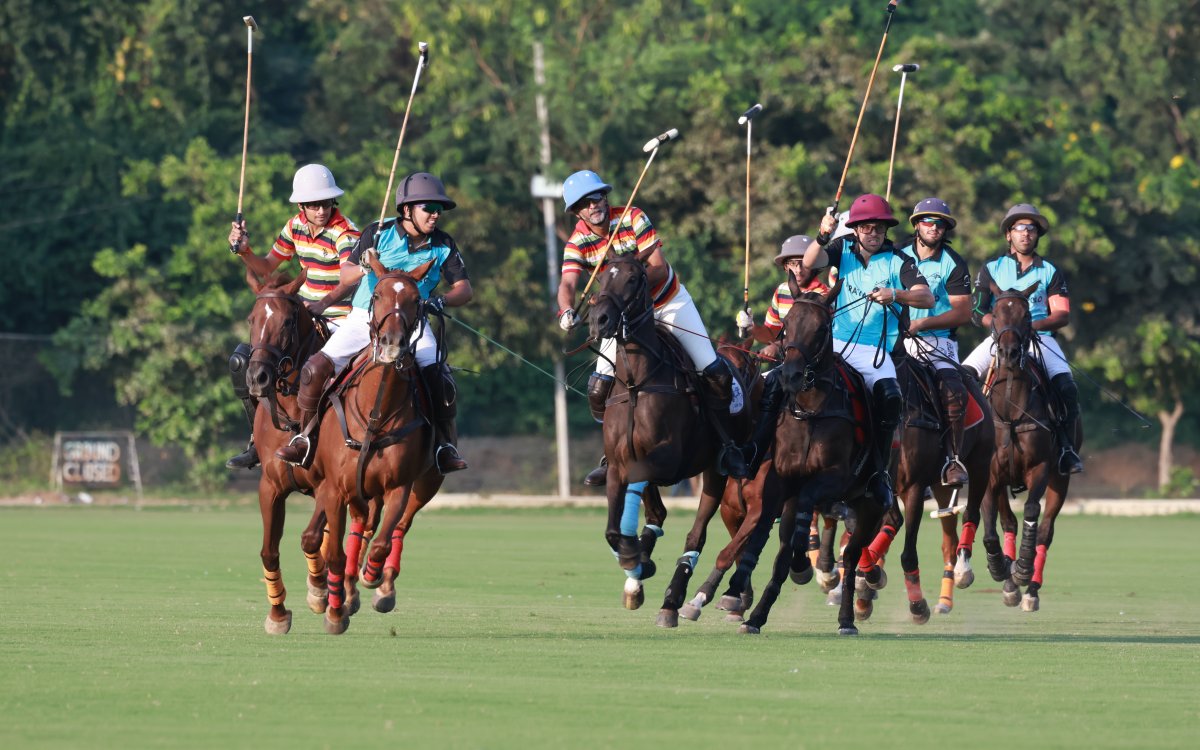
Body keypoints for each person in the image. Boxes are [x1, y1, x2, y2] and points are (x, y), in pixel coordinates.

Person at [555, 169, 746, 484]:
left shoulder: (632, 217)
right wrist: (565, 310)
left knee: (714, 372)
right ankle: (611, 455)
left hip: (667, 302)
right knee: (599, 387)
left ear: (606, 196)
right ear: (577, 211)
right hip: (624, 317)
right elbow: (568, 282)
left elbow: (657, 266)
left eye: (597, 196)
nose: (594, 205)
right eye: (585, 203)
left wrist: (630, 286)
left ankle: (728, 444)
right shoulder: (579, 240)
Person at [273, 172, 471, 475]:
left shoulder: (443, 243)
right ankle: (305, 437)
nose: (435, 215)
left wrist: (441, 300)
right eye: (428, 208)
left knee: (439, 378)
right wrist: (365, 263)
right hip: (365, 317)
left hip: (412, 322)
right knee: (314, 369)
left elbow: (464, 289)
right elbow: (345, 275)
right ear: (407, 210)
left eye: (438, 209)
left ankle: (443, 445)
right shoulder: (377, 234)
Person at [794, 193, 935, 505]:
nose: (874, 233)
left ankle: (877, 473)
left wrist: (895, 294)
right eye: (867, 227)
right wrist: (823, 234)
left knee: (891, 397)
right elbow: (807, 264)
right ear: (855, 229)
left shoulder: (900, 260)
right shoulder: (841, 248)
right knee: (783, 377)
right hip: (835, 345)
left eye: (880, 228)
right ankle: (758, 452)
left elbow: (927, 298)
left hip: (874, 351)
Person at [225, 164, 361, 470]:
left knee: (323, 371)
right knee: (245, 360)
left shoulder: (345, 232)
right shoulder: (294, 226)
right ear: (301, 206)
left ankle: (330, 442)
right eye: (313, 205)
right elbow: (267, 267)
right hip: (300, 314)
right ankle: (255, 440)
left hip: (339, 315)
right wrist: (245, 251)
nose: (321, 210)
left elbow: (350, 279)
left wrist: (323, 303)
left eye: (326, 203)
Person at [961, 203, 1083, 474]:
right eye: (1019, 228)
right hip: (1000, 339)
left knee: (1066, 386)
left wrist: (1026, 328)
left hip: (1040, 338)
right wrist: (1003, 330)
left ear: (1037, 235)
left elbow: (1061, 314)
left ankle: (1066, 448)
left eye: (1031, 229)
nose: (1026, 234)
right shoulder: (991, 268)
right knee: (962, 378)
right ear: (1008, 234)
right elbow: (977, 310)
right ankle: (959, 451)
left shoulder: (1049, 270)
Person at [895, 198, 974, 486]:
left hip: (936, 341)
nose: (934, 227)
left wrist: (922, 323)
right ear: (916, 224)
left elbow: (963, 312)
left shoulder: (953, 263)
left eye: (940, 223)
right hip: (894, 339)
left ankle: (953, 460)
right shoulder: (896, 255)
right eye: (928, 221)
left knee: (954, 392)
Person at [736, 233, 833, 354]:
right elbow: (771, 334)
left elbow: (810, 339)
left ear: (814, 264)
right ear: (785, 266)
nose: (798, 270)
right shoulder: (781, 291)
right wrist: (752, 328)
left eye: (804, 263)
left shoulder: (823, 295)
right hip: (789, 365)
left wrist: (777, 347)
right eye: (792, 263)